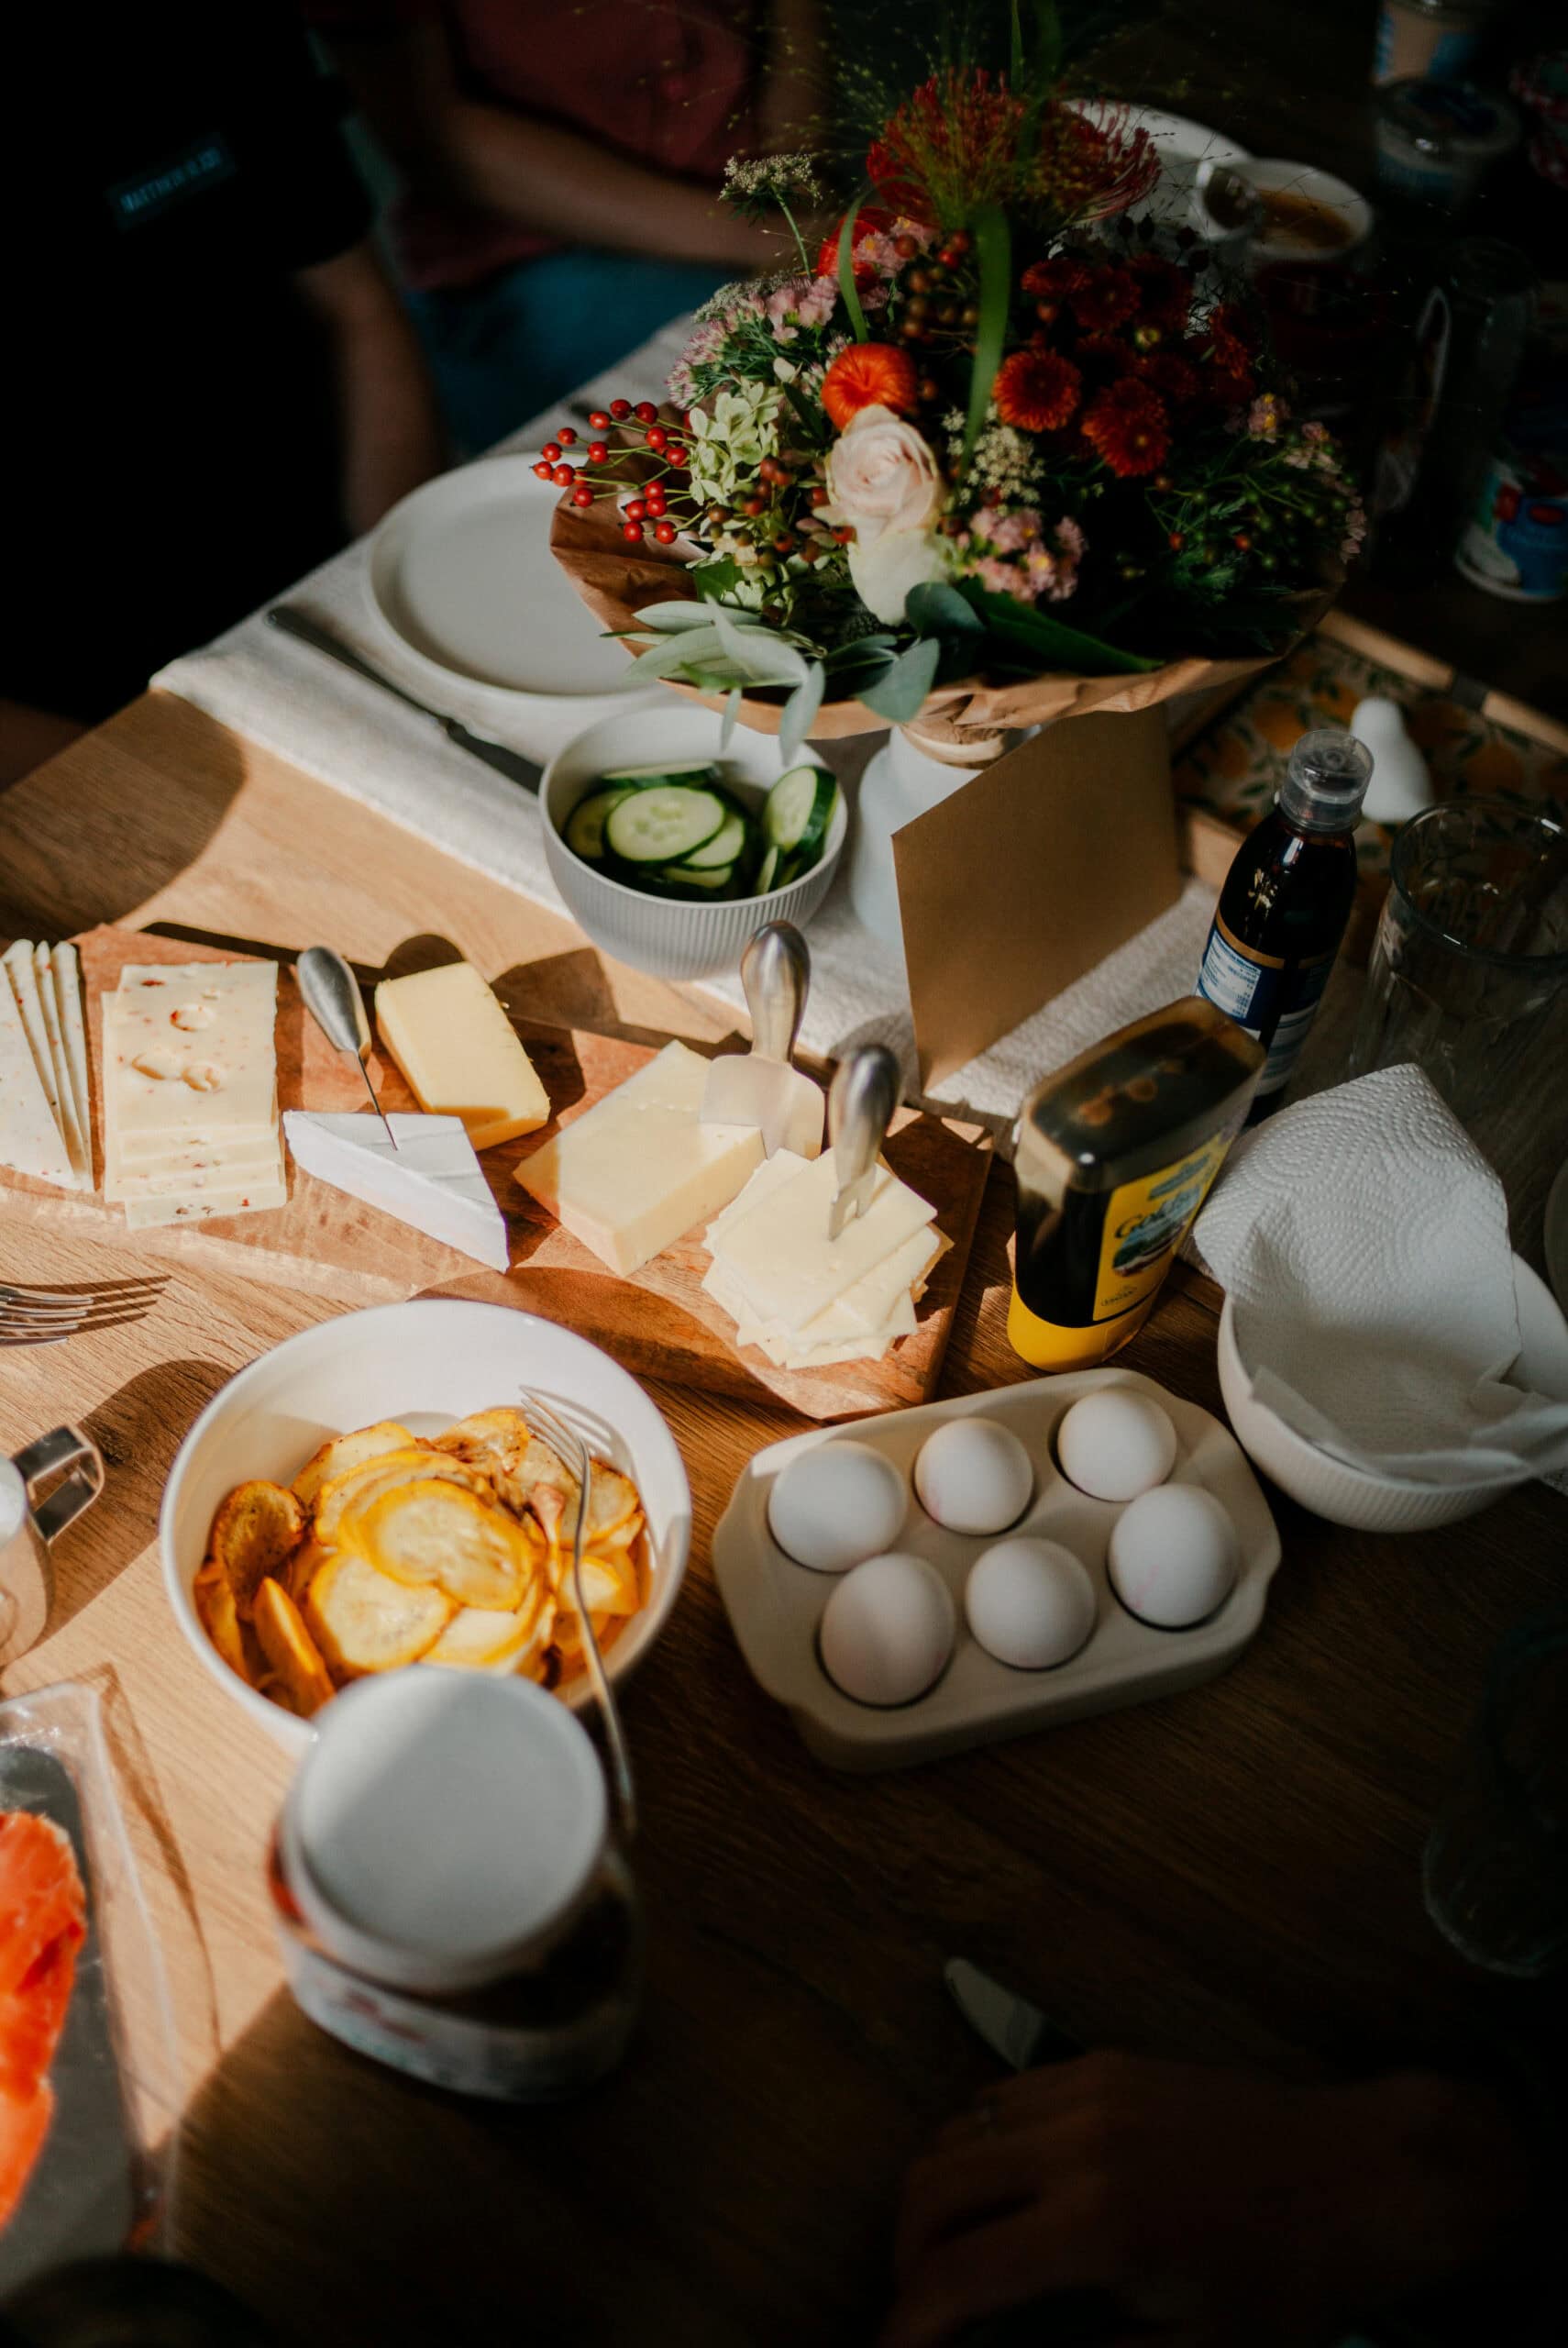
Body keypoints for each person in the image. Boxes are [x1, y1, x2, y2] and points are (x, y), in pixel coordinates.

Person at [3, 3, 446, 781]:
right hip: (70, 719)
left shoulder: (213, 35)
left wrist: (390, 602)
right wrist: (145, 780)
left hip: (311, 575)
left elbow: (359, 308)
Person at [303, 0, 827, 449]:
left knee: (865, 346)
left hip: (766, 216)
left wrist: (787, 200)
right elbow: (435, 136)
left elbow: (790, 22)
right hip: (530, 264)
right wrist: (761, 235)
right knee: (778, 407)